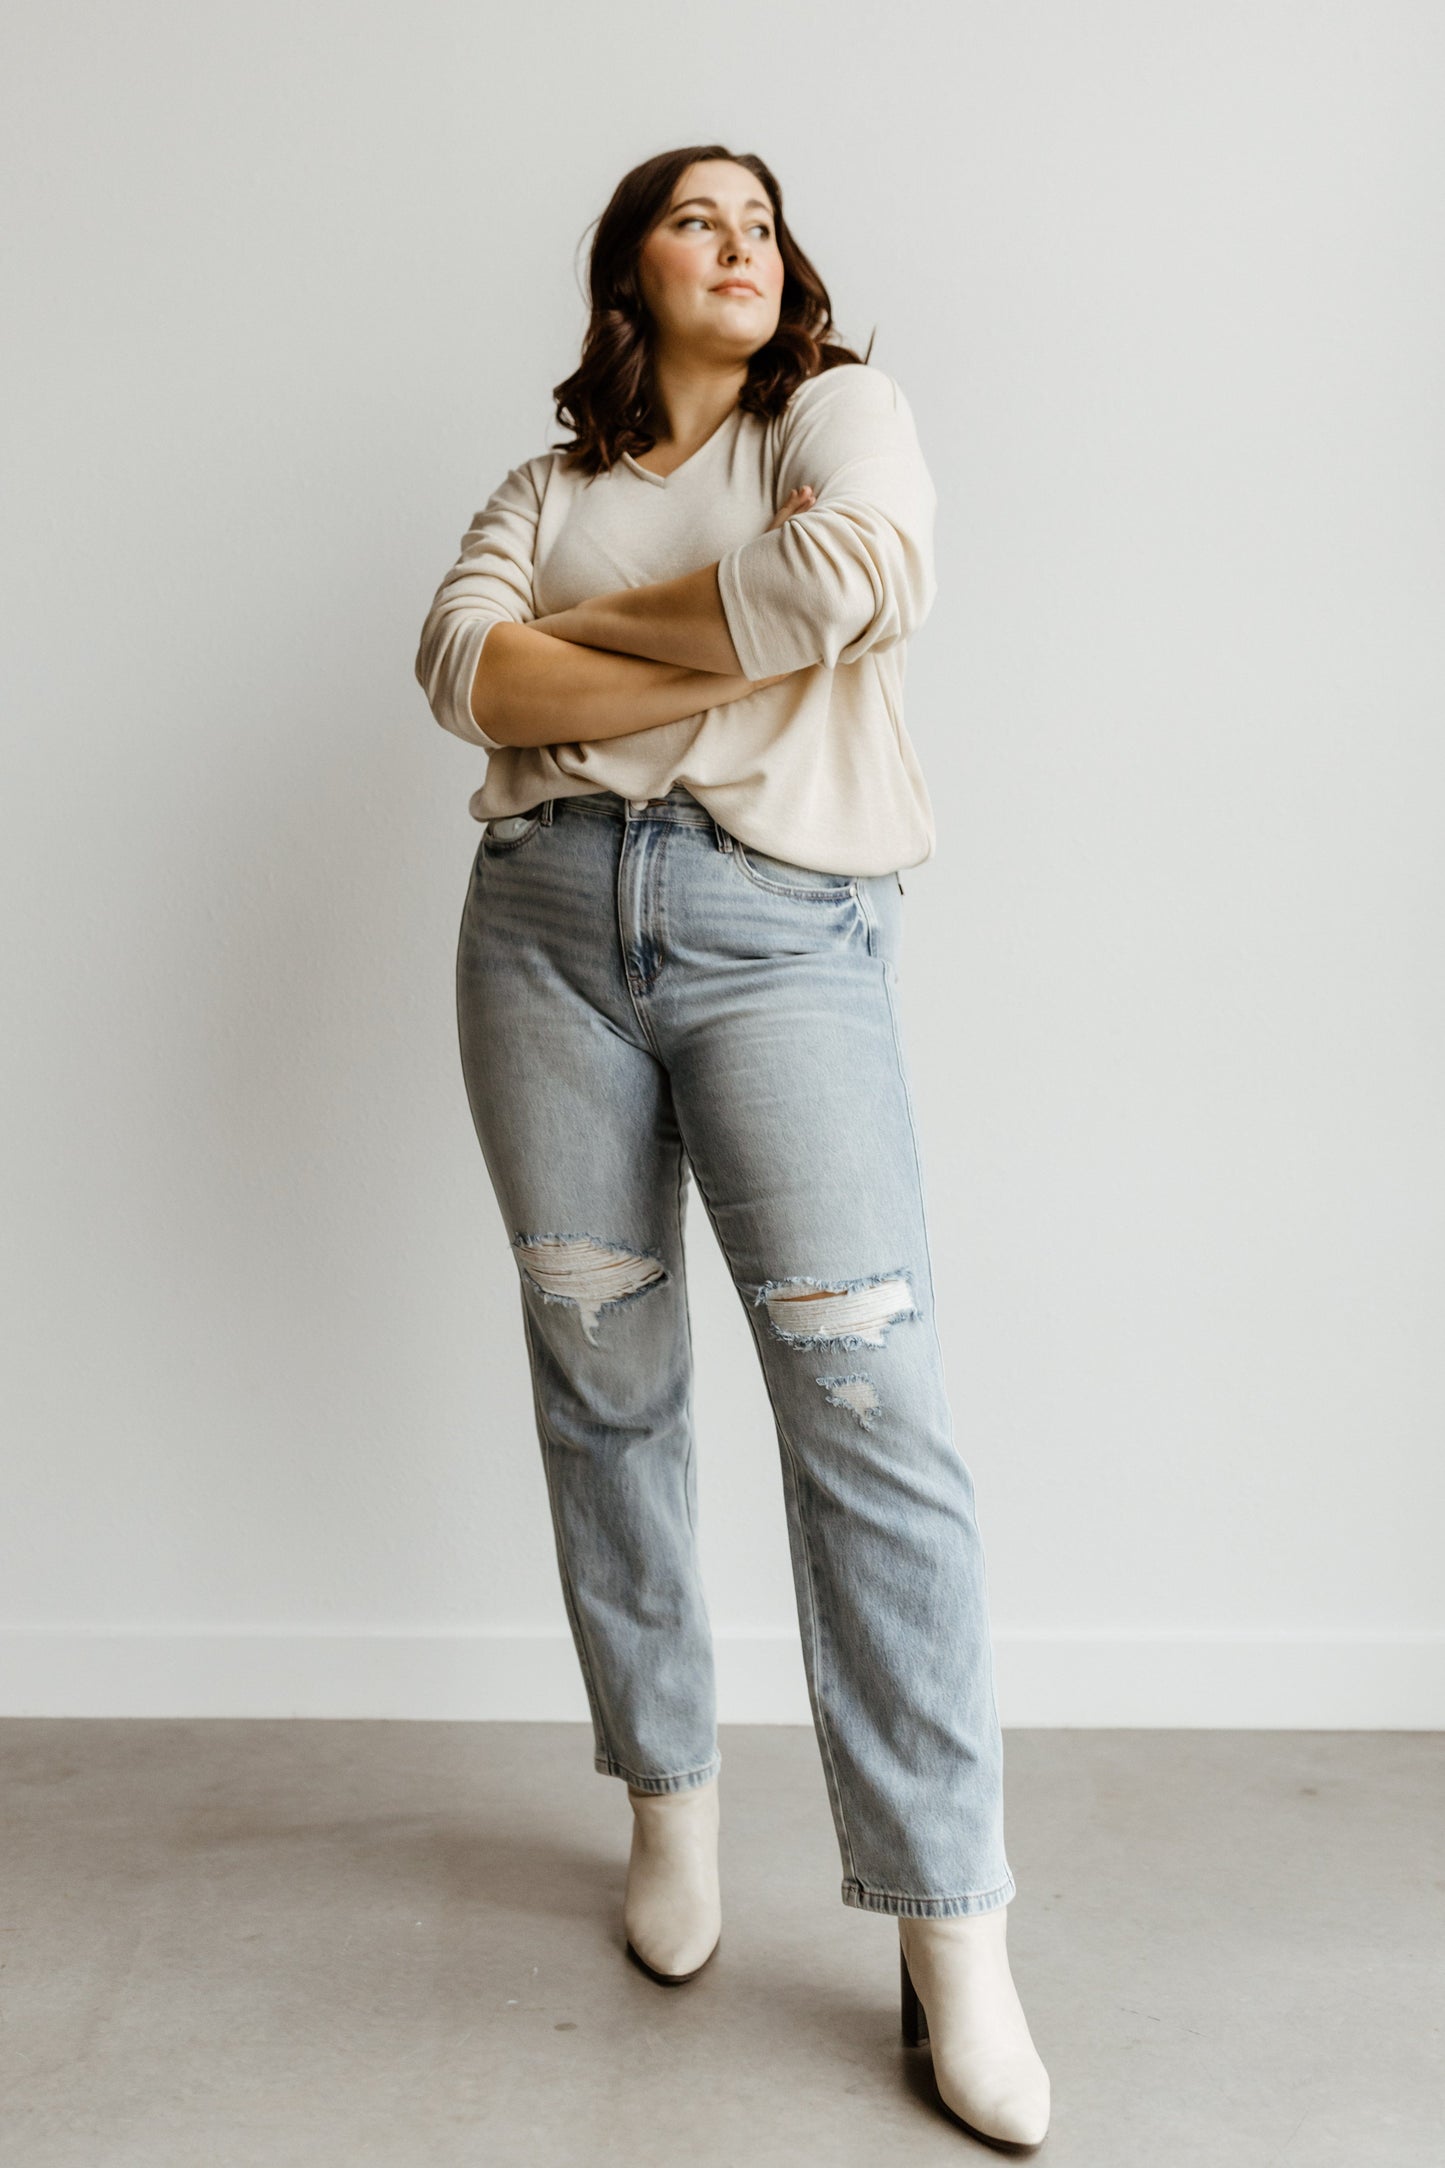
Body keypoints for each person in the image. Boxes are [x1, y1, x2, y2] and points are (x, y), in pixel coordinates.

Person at [414, 142, 1051, 2147]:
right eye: (698, 216)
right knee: (602, 1376)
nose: (741, 240)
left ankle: (951, 1924)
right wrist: (735, 634)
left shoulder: (831, 414)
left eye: (762, 219)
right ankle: (668, 1797)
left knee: (867, 1403)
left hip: (777, 928)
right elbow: (460, 667)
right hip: (537, 928)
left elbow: (856, 576)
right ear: (628, 269)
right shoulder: (546, 486)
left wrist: (589, 663)